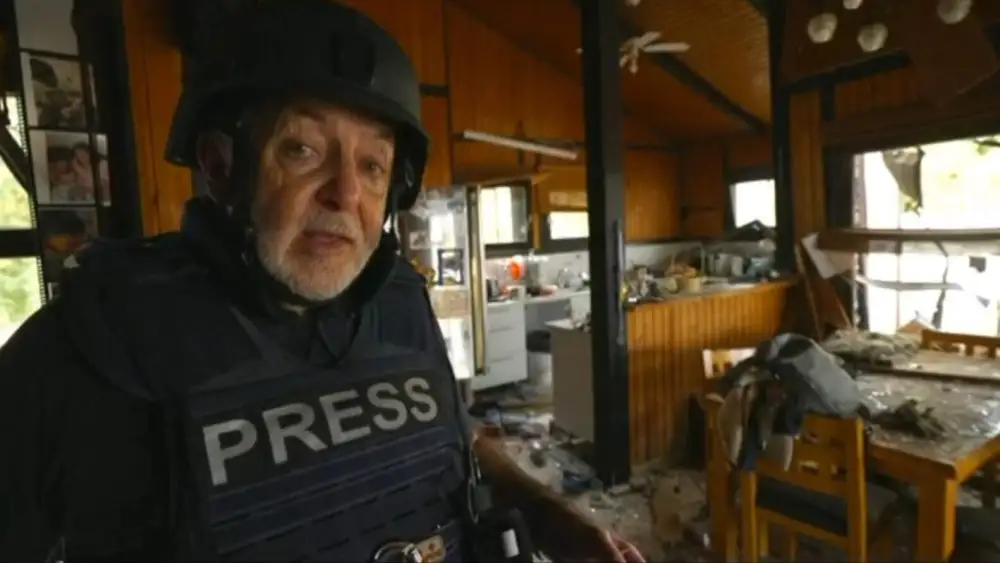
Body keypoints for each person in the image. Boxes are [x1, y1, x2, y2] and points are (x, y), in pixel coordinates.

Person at [0, 1, 645, 561]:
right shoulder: (89, 347)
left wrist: (555, 521)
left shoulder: (398, 302)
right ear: (221, 163)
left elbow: (458, 437)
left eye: (372, 165)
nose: (345, 195)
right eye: (302, 149)